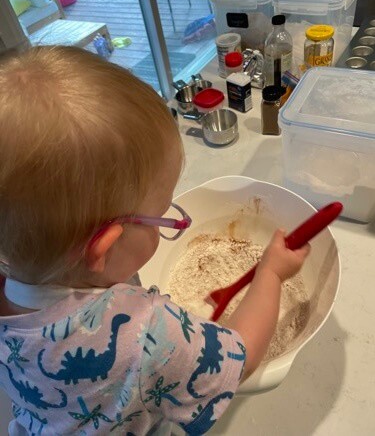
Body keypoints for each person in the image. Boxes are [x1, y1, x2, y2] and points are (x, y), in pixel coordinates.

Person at [0, 46, 310, 435]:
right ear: (106, 247)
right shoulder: (145, 332)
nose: (169, 223)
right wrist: (271, 274)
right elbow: (241, 357)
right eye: (162, 216)